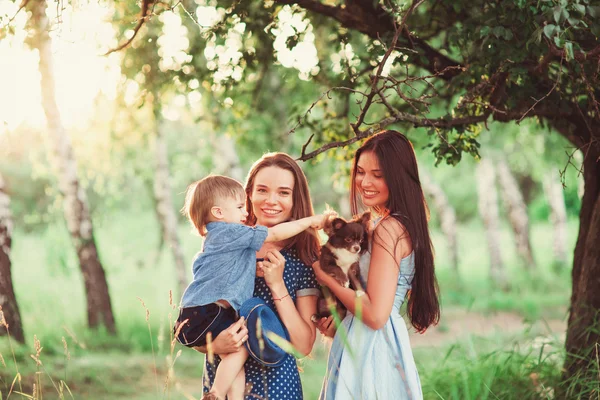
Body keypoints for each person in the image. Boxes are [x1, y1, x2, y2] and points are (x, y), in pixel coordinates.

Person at [313, 130, 441, 399]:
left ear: (398, 177)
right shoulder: (392, 224)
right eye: (360, 172)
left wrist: (327, 280)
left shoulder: (389, 229)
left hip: (372, 347)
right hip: (370, 339)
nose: (365, 182)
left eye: (378, 175)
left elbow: (375, 315)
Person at [175, 174, 325, 400]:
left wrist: (276, 284)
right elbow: (203, 330)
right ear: (250, 194)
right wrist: (213, 345)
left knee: (237, 356)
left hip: (276, 384)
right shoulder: (235, 240)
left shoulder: (303, 258)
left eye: (283, 192)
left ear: (296, 199)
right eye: (262, 190)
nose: (271, 200)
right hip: (220, 371)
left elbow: (303, 346)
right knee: (238, 352)